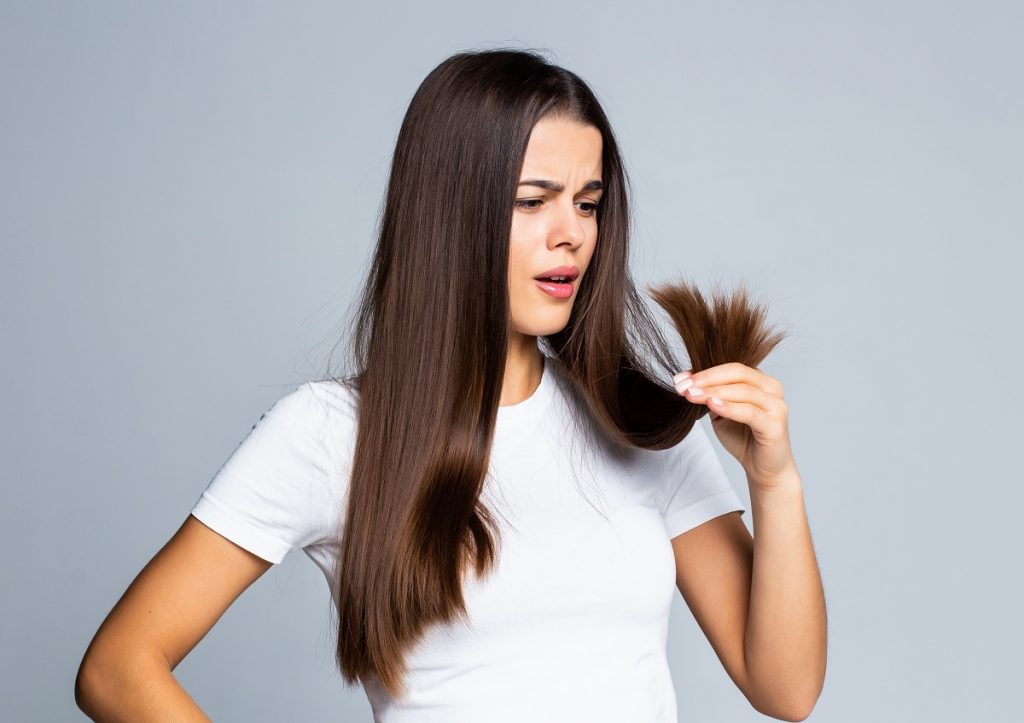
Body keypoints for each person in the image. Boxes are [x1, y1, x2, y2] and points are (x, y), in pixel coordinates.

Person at [75, 48, 827, 722]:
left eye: (588, 202)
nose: (571, 232)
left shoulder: (634, 420)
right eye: (533, 200)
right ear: (451, 214)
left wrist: (776, 481)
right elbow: (117, 669)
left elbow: (785, 689)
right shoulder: (332, 432)